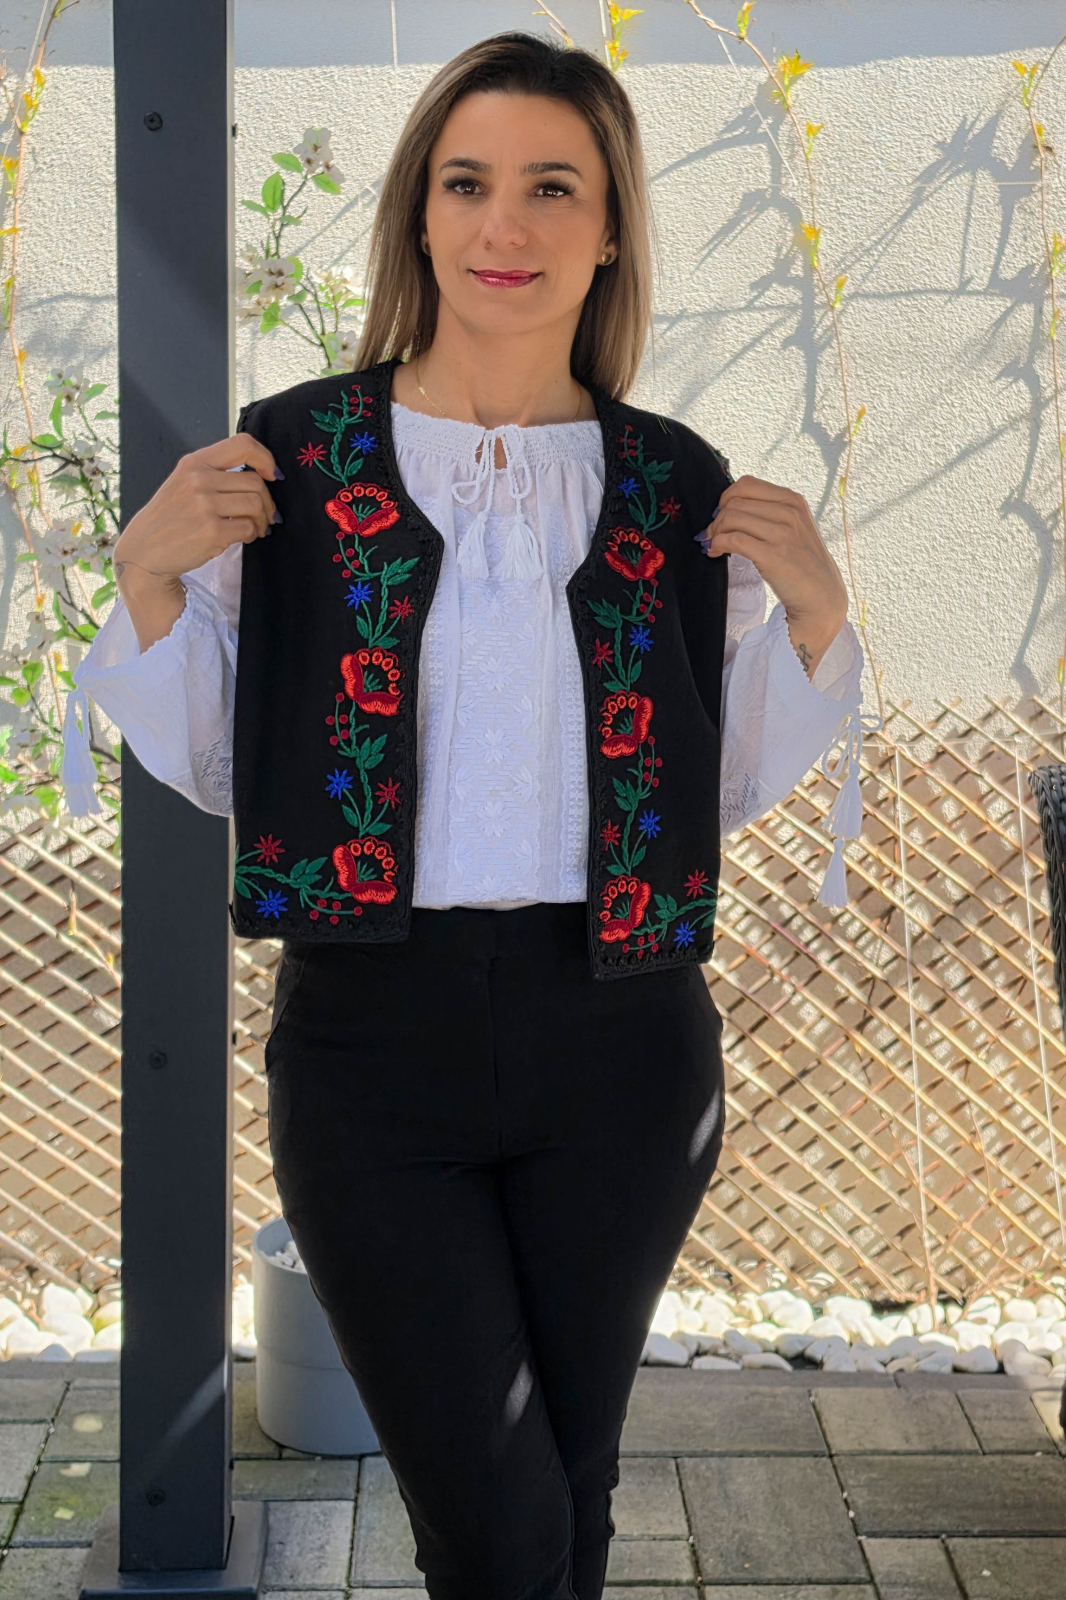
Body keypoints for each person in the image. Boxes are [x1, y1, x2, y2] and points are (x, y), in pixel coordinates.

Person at [73, 32, 868, 1600]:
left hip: (624, 1045)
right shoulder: (293, 459)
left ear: (610, 228)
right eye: (466, 183)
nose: (505, 225)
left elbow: (708, 789)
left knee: (566, 1488)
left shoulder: (673, 484)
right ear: (420, 217)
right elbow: (229, 765)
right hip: (371, 1050)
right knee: (497, 1520)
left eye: (551, 187)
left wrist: (817, 616)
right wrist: (147, 578)